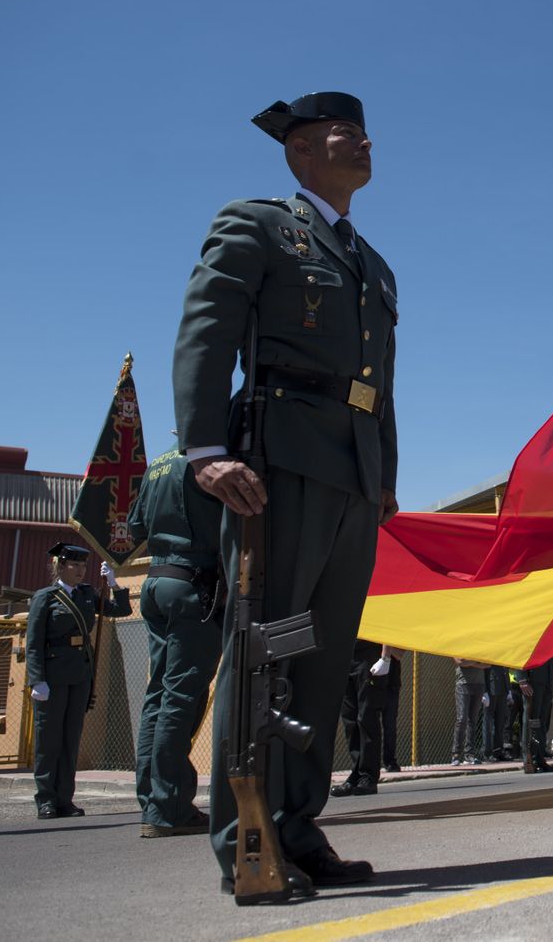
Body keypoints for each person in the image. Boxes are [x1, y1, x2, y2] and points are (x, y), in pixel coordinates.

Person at [173, 91, 399, 893]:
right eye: (345, 134)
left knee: (321, 658)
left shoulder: (371, 262)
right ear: (301, 149)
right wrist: (203, 450)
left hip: (353, 474)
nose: (365, 142)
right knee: (266, 647)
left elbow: (380, 383)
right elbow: (207, 328)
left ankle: (299, 829)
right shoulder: (259, 223)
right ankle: (248, 840)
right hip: (283, 460)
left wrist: (387, 482)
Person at [128, 448, 223, 838]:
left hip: (156, 581)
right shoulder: (207, 463)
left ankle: (153, 799)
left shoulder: (158, 466)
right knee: (181, 695)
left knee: (160, 693)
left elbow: (135, 527)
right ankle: (169, 807)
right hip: (193, 583)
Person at [26, 543, 132, 818]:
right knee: (49, 740)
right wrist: (36, 679)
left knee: (70, 740)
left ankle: (64, 799)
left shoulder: (87, 594)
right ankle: (46, 799)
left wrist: (114, 583)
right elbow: (34, 642)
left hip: (80, 675)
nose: (81, 571)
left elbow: (121, 611)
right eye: (75, 565)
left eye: (84, 566)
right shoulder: (46, 597)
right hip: (52, 677)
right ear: (60, 567)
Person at [332, 640, 395, 796]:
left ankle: (368, 777)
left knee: (367, 719)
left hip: (369, 656)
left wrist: (385, 657)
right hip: (346, 655)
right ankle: (355, 775)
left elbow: (388, 622)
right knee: (350, 721)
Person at [515, 660, 553, 772]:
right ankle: (530, 760)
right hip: (533, 680)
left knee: (542, 722)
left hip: (547, 681)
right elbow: (521, 653)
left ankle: (540, 758)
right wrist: (522, 679)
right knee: (532, 721)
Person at [451, 658, 487, 766]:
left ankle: (469, 755)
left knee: (473, 720)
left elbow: (488, 664)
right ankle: (456, 754)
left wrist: (469, 662)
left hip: (479, 684)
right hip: (463, 684)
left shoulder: (479, 646)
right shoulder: (458, 645)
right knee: (461, 718)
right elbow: (460, 662)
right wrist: (477, 662)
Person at [381, 651, 403, 771]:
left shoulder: (394, 637)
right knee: (368, 723)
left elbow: (399, 654)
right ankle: (367, 762)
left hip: (391, 683)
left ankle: (389, 761)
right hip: (373, 682)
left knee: (390, 724)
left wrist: (386, 648)